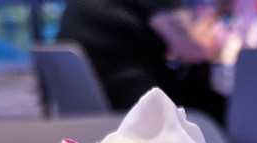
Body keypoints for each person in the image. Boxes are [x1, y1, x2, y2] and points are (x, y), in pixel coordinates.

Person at [57, 0, 227, 122]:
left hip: (92, 97)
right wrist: (215, 31)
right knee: (215, 102)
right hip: (131, 102)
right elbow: (195, 51)